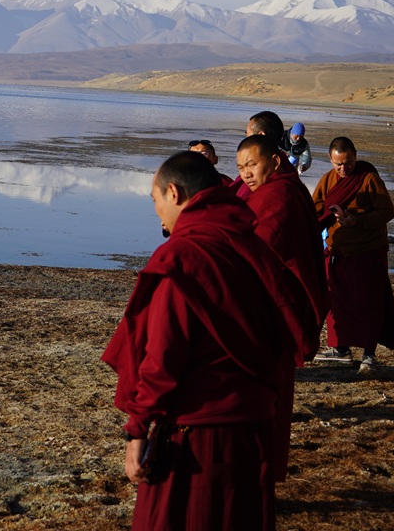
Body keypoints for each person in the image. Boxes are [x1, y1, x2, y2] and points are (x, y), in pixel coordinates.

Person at [102, 152, 299, 530]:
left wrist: (137, 429)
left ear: (173, 193)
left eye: (155, 200)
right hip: (255, 427)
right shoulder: (252, 247)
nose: (157, 212)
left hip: (199, 439)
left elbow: (162, 357)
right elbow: (291, 320)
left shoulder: (181, 258)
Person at [312, 136, 394, 373]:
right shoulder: (328, 179)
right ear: (330, 160)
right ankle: (340, 349)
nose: (344, 169)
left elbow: (387, 211)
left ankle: (369, 355)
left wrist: (357, 220)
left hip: (367, 249)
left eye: (348, 163)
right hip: (338, 250)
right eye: (338, 164)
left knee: (369, 303)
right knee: (338, 302)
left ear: (355, 156)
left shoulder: (368, 178)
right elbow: (315, 209)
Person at [236, 134, 328, 355]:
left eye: (252, 165)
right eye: (240, 168)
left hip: (278, 294)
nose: (246, 174)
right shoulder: (280, 188)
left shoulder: (279, 194)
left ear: (275, 162)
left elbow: (261, 245)